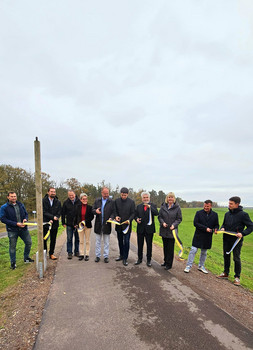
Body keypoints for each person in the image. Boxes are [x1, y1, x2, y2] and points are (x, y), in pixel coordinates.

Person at [217, 196, 253, 286]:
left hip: (236, 240)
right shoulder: (227, 214)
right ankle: (226, 273)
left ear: (237, 204)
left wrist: (243, 233)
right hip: (226, 239)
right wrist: (222, 228)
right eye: (229, 203)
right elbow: (224, 224)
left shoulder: (243, 215)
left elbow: (251, 226)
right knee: (226, 256)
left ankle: (237, 277)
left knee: (236, 258)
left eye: (231, 204)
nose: (229, 205)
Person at [0, 191, 34, 269]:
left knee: (29, 242)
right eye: (12, 196)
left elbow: (26, 214)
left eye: (15, 196)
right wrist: (16, 224)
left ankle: (26, 258)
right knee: (12, 246)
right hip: (12, 230)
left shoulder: (21, 204)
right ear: (8, 197)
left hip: (23, 229)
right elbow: (3, 219)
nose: (14, 198)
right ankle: (13, 263)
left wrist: (25, 219)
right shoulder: (4, 207)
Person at [184, 200, 219, 274]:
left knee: (204, 252)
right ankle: (188, 266)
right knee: (193, 250)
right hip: (198, 235)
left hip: (208, 237)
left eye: (207, 206)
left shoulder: (215, 215)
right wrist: (205, 228)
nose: (206, 207)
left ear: (211, 206)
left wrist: (216, 229)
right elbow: (195, 223)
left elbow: (217, 224)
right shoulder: (198, 213)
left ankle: (201, 266)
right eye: (205, 206)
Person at [158, 192, 182, 270]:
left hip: (172, 232)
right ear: (167, 198)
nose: (170, 199)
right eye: (169, 197)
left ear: (174, 198)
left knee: (170, 248)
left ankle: (169, 264)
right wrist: (163, 223)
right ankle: (165, 261)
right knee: (165, 247)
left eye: (171, 197)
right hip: (164, 230)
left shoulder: (177, 208)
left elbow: (179, 219)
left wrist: (174, 225)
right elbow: (160, 217)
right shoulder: (163, 207)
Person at [135, 192, 158, 267]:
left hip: (149, 229)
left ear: (149, 198)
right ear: (142, 198)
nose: (145, 199)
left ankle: (148, 260)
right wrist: (137, 219)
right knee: (140, 244)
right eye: (144, 197)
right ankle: (139, 259)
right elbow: (135, 215)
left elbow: (156, 213)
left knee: (149, 245)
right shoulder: (138, 206)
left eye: (147, 197)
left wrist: (150, 208)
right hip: (140, 229)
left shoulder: (153, 205)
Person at [92, 187, 114, 263]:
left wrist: (111, 217)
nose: (106, 195)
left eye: (107, 193)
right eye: (105, 194)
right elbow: (93, 210)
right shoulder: (97, 201)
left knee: (106, 242)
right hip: (98, 224)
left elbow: (113, 212)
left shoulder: (111, 201)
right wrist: (96, 211)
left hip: (107, 224)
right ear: (101, 193)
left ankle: (106, 256)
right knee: (98, 242)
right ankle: (97, 256)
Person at [115, 187, 135, 266]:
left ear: (127, 194)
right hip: (119, 225)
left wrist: (129, 220)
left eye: (125, 195)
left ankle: (125, 258)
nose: (123, 196)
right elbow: (115, 210)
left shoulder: (131, 202)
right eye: (122, 195)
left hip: (127, 225)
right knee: (120, 241)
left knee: (126, 242)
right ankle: (121, 255)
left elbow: (133, 213)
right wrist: (116, 216)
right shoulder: (116, 201)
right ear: (120, 194)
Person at [74, 193, 94, 261]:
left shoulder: (90, 207)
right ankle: (81, 254)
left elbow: (92, 217)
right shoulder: (77, 207)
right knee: (81, 241)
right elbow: (76, 216)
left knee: (87, 241)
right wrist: (75, 223)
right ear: (81, 200)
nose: (85, 200)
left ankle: (87, 254)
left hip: (87, 226)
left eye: (86, 199)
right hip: (80, 226)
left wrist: (85, 221)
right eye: (83, 199)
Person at [43, 187, 61, 260]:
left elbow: (59, 212)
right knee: (44, 239)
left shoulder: (58, 202)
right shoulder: (43, 201)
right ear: (48, 192)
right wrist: (51, 217)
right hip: (45, 223)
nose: (53, 193)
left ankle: (51, 253)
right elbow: (43, 212)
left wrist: (56, 217)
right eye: (51, 191)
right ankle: (44, 253)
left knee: (53, 239)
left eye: (54, 192)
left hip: (55, 223)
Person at [62, 190, 81, 259]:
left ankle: (77, 251)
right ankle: (69, 253)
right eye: (69, 195)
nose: (71, 196)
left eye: (72, 195)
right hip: (69, 224)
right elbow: (63, 213)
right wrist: (63, 222)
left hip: (78, 224)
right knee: (69, 238)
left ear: (75, 194)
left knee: (77, 238)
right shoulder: (65, 203)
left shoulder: (79, 202)